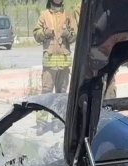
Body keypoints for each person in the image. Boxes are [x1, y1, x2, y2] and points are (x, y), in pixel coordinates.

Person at [33, 0, 76, 135]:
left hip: (63, 62)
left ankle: (58, 121)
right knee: (46, 92)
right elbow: (36, 35)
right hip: (49, 63)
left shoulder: (68, 15)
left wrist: (68, 34)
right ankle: (41, 123)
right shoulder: (44, 15)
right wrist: (45, 33)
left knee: (61, 93)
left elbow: (74, 36)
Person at [71, 1, 117, 100]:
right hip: (89, 58)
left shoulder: (109, 5)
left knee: (109, 90)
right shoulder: (83, 8)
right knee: (88, 92)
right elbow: (80, 33)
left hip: (106, 55)